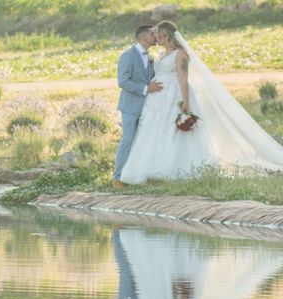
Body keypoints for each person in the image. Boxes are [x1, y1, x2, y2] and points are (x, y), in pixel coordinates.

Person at [120, 20, 283, 185]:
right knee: (155, 132)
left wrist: (186, 102)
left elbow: (183, 79)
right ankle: (152, 168)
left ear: (165, 36)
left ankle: (177, 168)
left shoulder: (180, 53)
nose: (155, 37)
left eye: (157, 33)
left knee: (175, 131)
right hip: (157, 100)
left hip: (174, 96)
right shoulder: (161, 55)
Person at [113, 25, 164, 189]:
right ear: (143, 38)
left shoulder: (150, 58)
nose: (155, 36)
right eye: (152, 34)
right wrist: (145, 89)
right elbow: (123, 81)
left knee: (142, 141)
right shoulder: (128, 55)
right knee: (127, 140)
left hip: (147, 106)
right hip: (130, 106)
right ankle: (117, 177)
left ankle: (135, 175)